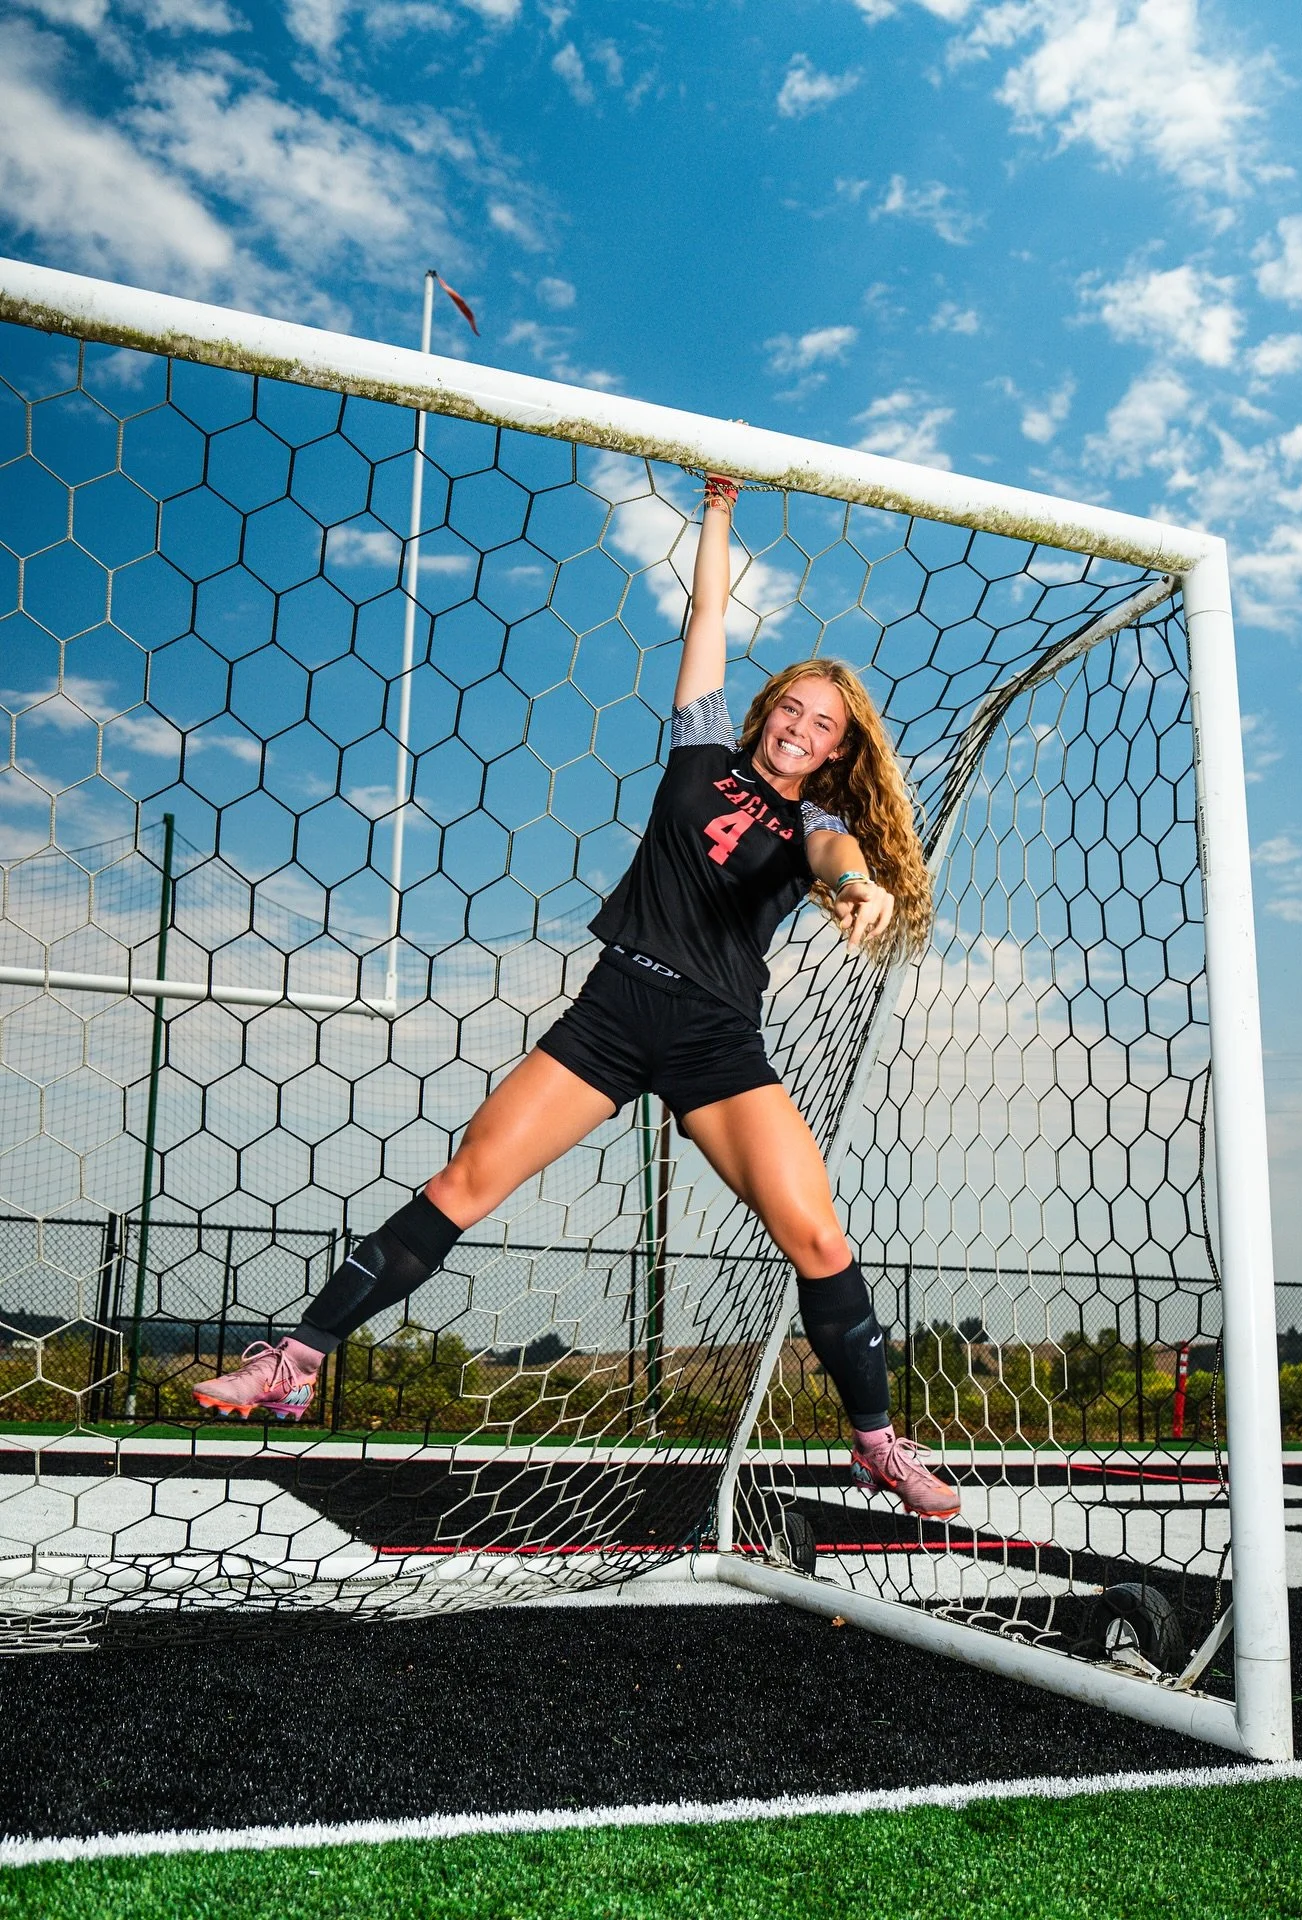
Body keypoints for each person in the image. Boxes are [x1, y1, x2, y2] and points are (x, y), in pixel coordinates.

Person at [194, 476, 958, 1519]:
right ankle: (297, 1360)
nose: (797, 726)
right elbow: (704, 619)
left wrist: (858, 882)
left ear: (835, 749)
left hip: (714, 1042)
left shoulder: (816, 827)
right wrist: (721, 514)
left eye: (820, 724)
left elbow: (835, 848)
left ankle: (876, 1442)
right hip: (610, 1014)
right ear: (765, 713)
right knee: (466, 1182)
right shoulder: (698, 750)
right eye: (789, 707)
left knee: (819, 1239)